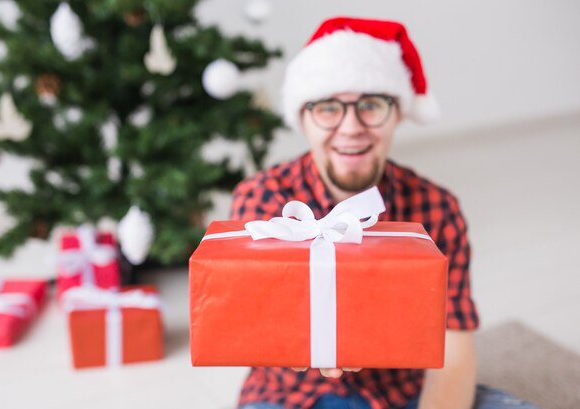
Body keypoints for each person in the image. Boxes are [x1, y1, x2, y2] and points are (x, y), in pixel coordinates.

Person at [230, 17, 539, 409]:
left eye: (371, 105)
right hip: (292, 393)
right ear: (303, 119)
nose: (351, 127)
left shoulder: (437, 210)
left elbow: (454, 348)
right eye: (328, 108)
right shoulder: (262, 199)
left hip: (404, 390)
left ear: (397, 113)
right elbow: (256, 326)